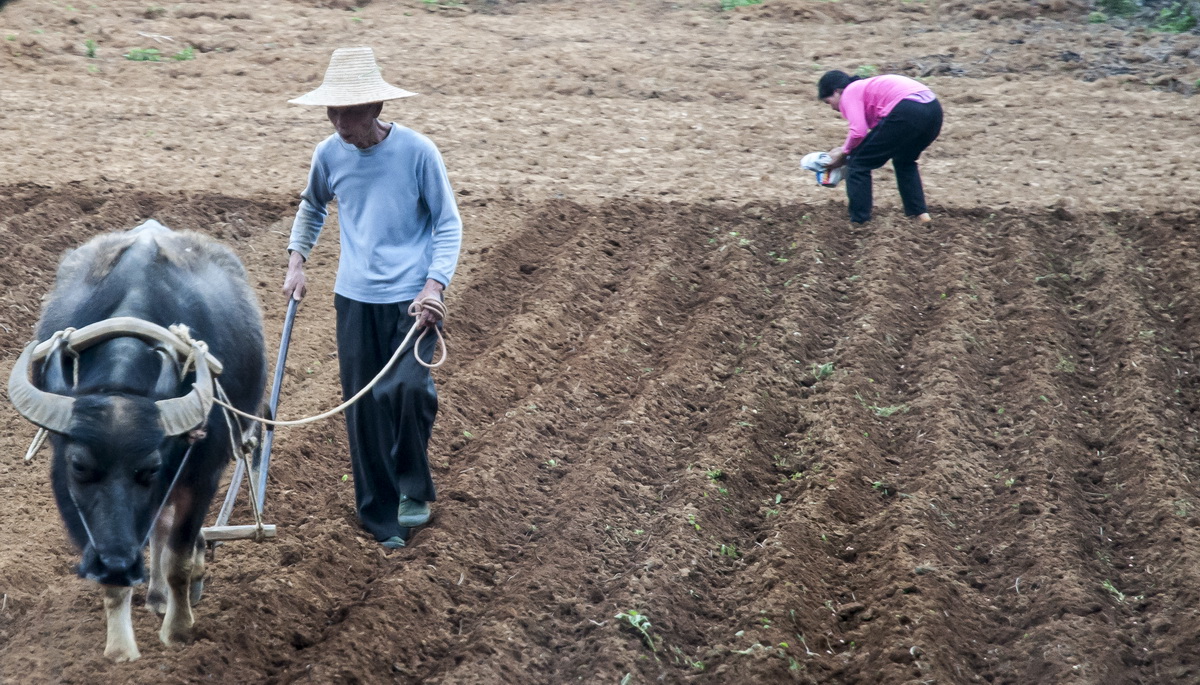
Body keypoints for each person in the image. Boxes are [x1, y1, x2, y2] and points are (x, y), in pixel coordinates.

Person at [283, 47, 463, 550]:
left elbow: (448, 223)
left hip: (412, 300)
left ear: (377, 108)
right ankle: (381, 519)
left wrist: (435, 286)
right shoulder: (328, 155)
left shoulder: (418, 152)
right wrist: (297, 260)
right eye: (333, 111)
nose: (341, 122)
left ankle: (413, 488)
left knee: (407, 391)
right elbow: (313, 206)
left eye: (351, 111)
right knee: (362, 410)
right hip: (354, 299)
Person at [817, 70, 943, 225]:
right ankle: (920, 215)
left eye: (828, 101)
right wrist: (847, 149)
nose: (832, 108)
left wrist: (844, 153)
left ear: (837, 91)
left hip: (907, 109)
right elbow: (879, 134)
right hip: (933, 111)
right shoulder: (868, 89)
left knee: (857, 163)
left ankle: (860, 222)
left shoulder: (850, 91)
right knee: (904, 161)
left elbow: (858, 132)